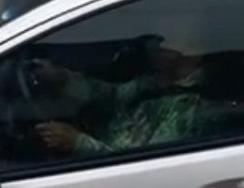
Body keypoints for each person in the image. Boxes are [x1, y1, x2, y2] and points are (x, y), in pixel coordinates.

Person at [30, 44, 212, 157]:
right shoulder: (155, 82)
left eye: (163, 44)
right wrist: (63, 78)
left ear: (191, 51)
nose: (153, 49)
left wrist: (77, 142)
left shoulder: (188, 106)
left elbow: (147, 166)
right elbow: (112, 95)